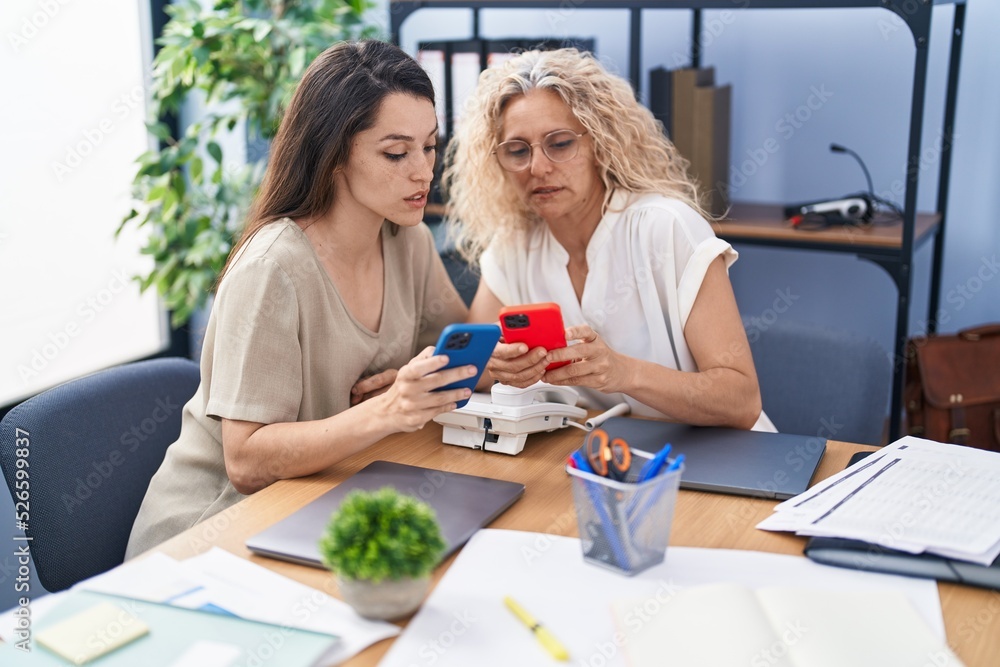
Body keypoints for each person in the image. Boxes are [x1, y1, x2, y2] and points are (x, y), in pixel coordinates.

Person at [126, 40, 471, 557]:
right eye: (396, 153)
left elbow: (452, 352)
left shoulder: (408, 239)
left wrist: (494, 362)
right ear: (333, 155)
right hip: (213, 537)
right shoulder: (272, 269)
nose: (423, 171)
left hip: (321, 505)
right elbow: (245, 462)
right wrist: (389, 409)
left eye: (429, 146)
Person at [444, 48, 771, 431]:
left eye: (560, 143)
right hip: (600, 456)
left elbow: (741, 402)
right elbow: (474, 368)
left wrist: (623, 373)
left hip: (723, 459)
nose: (538, 167)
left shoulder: (667, 227)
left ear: (599, 143)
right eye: (517, 151)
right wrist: (498, 364)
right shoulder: (514, 246)